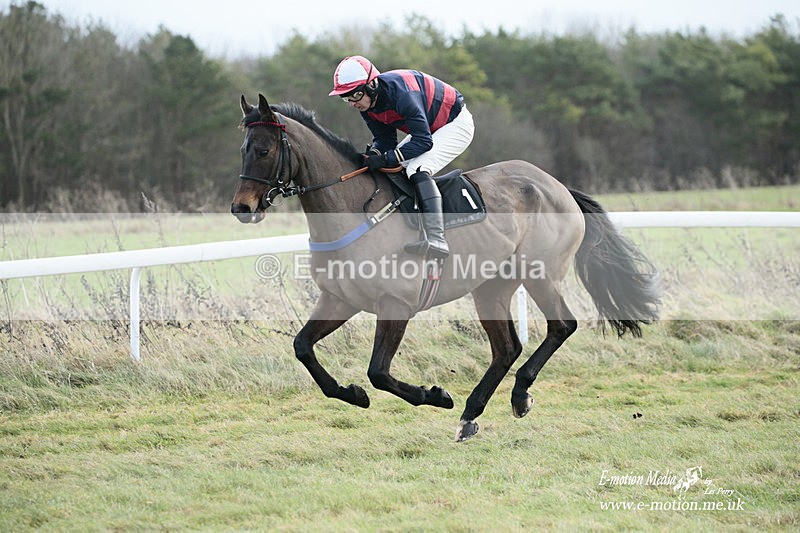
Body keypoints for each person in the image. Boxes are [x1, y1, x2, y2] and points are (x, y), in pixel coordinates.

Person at [329, 55, 475, 258]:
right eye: (346, 98)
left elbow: (423, 142)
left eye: (355, 95)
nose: (353, 103)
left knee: (417, 168)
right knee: (390, 167)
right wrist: (373, 156)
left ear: (372, 85)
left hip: (455, 123)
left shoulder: (402, 95)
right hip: (428, 128)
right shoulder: (367, 104)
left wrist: (387, 158)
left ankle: (437, 238)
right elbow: (384, 139)